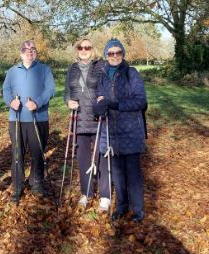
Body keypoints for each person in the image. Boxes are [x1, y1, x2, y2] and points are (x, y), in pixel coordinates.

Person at [93, 38, 147, 222]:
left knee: (133, 173)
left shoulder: (131, 73)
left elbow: (141, 101)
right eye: (111, 53)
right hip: (111, 132)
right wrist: (97, 107)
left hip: (131, 131)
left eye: (118, 52)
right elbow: (98, 98)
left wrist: (115, 105)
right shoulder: (103, 76)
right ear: (106, 55)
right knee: (117, 173)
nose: (115, 56)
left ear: (122, 54)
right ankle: (122, 205)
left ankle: (138, 209)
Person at [2, 40, 56, 202]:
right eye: (25, 49)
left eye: (32, 49)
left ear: (36, 52)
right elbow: (6, 90)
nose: (29, 51)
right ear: (20, 53)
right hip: (17, 119)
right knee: (18, 154)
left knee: (38, 153)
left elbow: (50, 90)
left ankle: (37, 184)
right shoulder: (12, 71)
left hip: (38, 118)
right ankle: (17, 186)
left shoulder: (44, 69)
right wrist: (11, 101)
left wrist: (37, 102)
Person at [63, 38, 111, 210]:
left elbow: (108, 88)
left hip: (97, 117)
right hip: (79, 118)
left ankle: (105, 196)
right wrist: (68, 101)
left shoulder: (101, 65)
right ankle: (86, 193)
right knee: (82, 158)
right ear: (77, 50)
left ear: (92, 49)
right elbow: (67, 91)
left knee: (101, 157)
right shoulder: (72, 68)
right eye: (80, 47)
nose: (84, 50)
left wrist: (104, 100)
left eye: (87, 47)